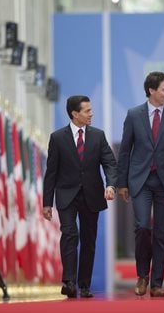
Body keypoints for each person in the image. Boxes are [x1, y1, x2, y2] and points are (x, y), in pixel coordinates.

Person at [117, 71, 164, 297]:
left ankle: (157, 283)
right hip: (140, 181)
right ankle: (142, 275)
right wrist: (122, 183)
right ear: (151, 90)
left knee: (161, 233)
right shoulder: (133, 114)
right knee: (142, 227)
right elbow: (125, 151)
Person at [43, 95, 117, 298]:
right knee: (69, 234)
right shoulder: (57, 138)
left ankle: (84, 285)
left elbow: (110, 163)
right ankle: (68, 281)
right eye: (87, 111)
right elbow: (51, 172)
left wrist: (110, 185)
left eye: (91, 110)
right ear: (75, 114)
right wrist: (47, 203)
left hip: (91, 195)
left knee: (88, 239)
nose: (91, 114)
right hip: (66, 195)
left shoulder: (98, 136)